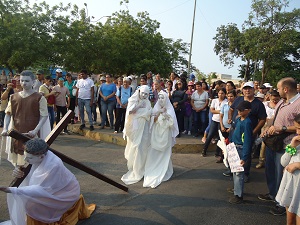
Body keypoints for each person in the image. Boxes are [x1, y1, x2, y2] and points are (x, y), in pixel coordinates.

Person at [0, 138, 95, 225]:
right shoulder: (37, 158)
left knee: (31, 206)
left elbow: (40, 189)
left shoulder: (54, 165)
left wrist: (13, 190)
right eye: (25, 156)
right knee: (29, 202)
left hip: (66, 193)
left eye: (29, 158)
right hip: (53, 189)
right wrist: (18, 172)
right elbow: (31, 175)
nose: (26, 160)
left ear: (41, 157)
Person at [258, 77, 300, 216]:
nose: (277, 91)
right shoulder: (281, 101)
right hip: (272, 142)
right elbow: (274, 119)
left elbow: (297, 127)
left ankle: (282, 203)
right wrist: (267, 127)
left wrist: (282, 128)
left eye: (279, 88)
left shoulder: (299, 104)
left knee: (282, 173)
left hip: (288, 145)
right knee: (270, 170)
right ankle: (272, 194)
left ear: (286, 89)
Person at [1, 70, 51, 166]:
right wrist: (5, 128)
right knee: (18, 162)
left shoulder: (39, 98)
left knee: (32, 162)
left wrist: (35, 130)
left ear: (33, 81)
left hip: (32, 134)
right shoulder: (13, 97)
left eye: (27, 81)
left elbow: (44, 116)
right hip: (16, 132)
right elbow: (8, 114)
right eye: (22, 80)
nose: (24, 83)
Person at [143, 90, 179, 188]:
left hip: (165, 134)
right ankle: (155, 166)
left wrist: (166, 116)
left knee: (165, 151)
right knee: (155, 151)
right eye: (159, 97)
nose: (161, 99)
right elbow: (152, 120)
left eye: (163, 97)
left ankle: (165, 167)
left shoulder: (170, 109)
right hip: (156, 132)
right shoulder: (156, 108)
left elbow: (172, 124)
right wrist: (159, 113)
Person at [121, 85, 152, 185]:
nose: (144, 95)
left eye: (146, 94)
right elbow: (129, 111)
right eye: (143, 93)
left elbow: (149, 112)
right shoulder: (133, 100)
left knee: (143, 147)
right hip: (136, 127)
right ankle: (136, 168)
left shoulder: (147, 101)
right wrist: (138, 106)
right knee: (136, 147)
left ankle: (142, 167)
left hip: (145, 127)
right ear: (139, 91)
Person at [275, 113, 300, 224]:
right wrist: (292, 146)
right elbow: (284, 162)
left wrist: (297, 165)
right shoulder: (296, 142)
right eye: (296, 128)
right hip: (290, 184)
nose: (298, 132)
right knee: (290, 220)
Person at [228, 101, 253, 204]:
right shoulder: (238, 119)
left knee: (238, 173)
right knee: (235, 171)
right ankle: (236, 189)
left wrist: (245, 157)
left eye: (241, 110)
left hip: (241, 148)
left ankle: (238, 195)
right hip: (234, 147)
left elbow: (247, 140)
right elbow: (234, 131)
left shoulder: (247, 122)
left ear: (248, 111)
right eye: (238, 110)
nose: (238, 112)